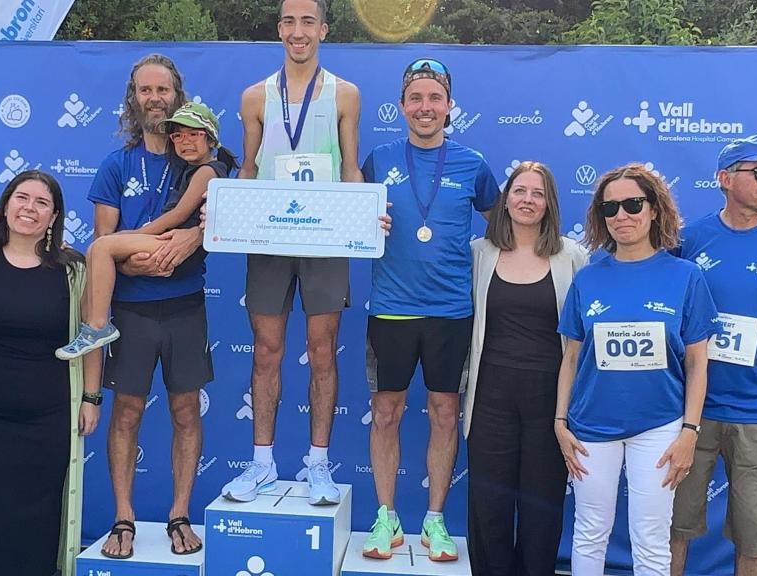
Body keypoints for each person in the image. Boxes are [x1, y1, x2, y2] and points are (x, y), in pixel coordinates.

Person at [221, 0, 363, 507]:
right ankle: (262, 464)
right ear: (279, 29)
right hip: (270, 238)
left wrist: (363, 217)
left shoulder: (345, 94)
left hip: (324, 238)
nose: (297, 31)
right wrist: (229, 213)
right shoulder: (254, 96)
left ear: (323, 29)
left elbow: (350, 168)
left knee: (323, 350)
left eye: (307, 22)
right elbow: (248, 167)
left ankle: (318, 464)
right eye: (289, 21)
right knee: (266, 350)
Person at [357, 57, 499, 562]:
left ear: (449, 106)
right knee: (386, 412)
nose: (425, 107)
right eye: (415, 98)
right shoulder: (377, 160)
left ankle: (434, 520)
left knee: (444, 413)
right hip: (391, 309)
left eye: (434, 98)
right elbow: (349, 219)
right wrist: (366, 222)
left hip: (451, 311)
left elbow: (505, 227)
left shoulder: (472, 164)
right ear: (401, 106)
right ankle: (386, 517)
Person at [555, 164, 719, 575]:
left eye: (632, 204)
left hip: (660, 427)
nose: (621, 215)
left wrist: (690, 430)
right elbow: (571, 357)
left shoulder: (686, 276)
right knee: (589, 532)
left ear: (654, 209)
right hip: (591, 426)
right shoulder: (588, 278)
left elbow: (698, 362)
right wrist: (560, 422)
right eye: (610, 208)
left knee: (651, 538)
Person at [0, 170, 99, 576]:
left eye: (42, 202)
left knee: (39, 516)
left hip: (48, 417)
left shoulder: (74, 270)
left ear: (54, 216)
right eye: (22, 197)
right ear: (6, 205)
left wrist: (91, 397)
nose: (30, 208)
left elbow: (91, 336)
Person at [89, 53, 212, 559]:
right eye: (146, 90)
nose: (155, 98)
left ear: (177, 96)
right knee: (127, 411)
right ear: (133, 98)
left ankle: (179, 513)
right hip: (132, 309)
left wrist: (194, 236)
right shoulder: (116, 165)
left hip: (185, 305)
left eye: (163, 90)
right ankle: (124, 518)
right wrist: (139, 265)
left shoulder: (197, 162)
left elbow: (222, 223)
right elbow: (102, 243)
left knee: (186, 408)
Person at [463, 162, 587, 574]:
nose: (527, 200)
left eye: (538, 193)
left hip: (548, 400)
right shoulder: (479, 254)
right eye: (519, 191)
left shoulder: (572, 256)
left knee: (542, 505)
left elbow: (584, 334)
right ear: (505, 200)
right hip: (489, 397)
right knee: (489, 505)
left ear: (550, 203)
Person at [670, 135, 757, 576]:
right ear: (725, 179)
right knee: (672, 526)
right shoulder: (689, 240)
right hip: (691, 412)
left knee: (755, 533)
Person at [56, 101, 237, 360]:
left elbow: (179, 214)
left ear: (210, 139)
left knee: (102, 246)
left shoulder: (207, 171)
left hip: (175, 246)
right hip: (167, 242)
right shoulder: (195, 169)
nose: (184, 141)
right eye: (177, 136)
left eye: (193, 134)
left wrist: (138, 234)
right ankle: (95, 324)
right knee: (98, 247)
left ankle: (97, 326)